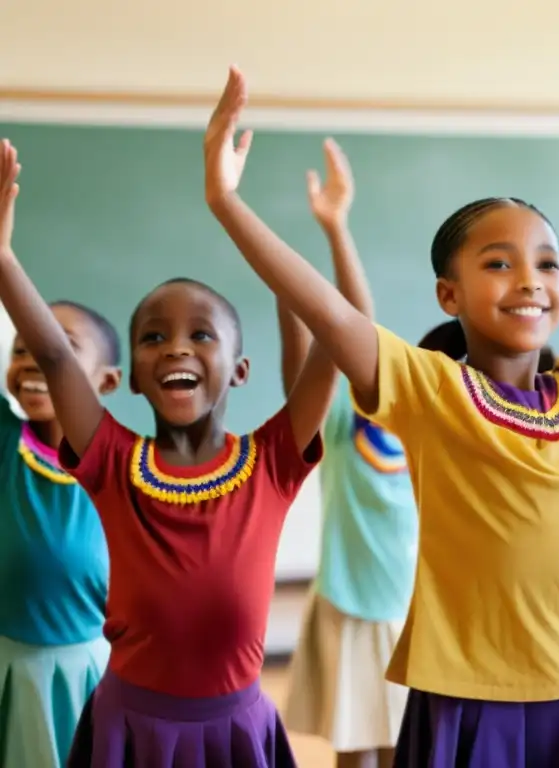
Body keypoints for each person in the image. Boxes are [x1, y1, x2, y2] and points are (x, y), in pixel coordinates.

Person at [203, 66, 559, 767]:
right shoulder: (431, 389)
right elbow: (329, 312)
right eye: (499, 263)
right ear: (448, 294)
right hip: (473, 694)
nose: (530, 282)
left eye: (548, 264)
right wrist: (226, 202)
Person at [0, 138, 337, 766]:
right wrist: (1, 256)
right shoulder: (109, 459)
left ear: (238, 370)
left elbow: (329, 349)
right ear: (130, 378)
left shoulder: (270, 462)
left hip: (236, 728)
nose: (176, 348)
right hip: (130, 729)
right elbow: (52, 354)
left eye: (200, 335)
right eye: (153, 337)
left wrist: (232, 209)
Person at [282, 138, 417, 768]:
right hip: (347, 605)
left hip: (408, 612)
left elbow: (360, 331)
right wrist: (294, 292)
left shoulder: (424, 424)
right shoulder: (337, 426)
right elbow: (328, 346)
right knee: (353, 754)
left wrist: (337, 229)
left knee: (403, 750)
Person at [0, 298, 120, 768]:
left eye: (57, 350)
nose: (36, 360)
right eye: (21, 350)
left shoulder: (125, 465)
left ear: (107, 381)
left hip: (95, 678)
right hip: (9, 674)